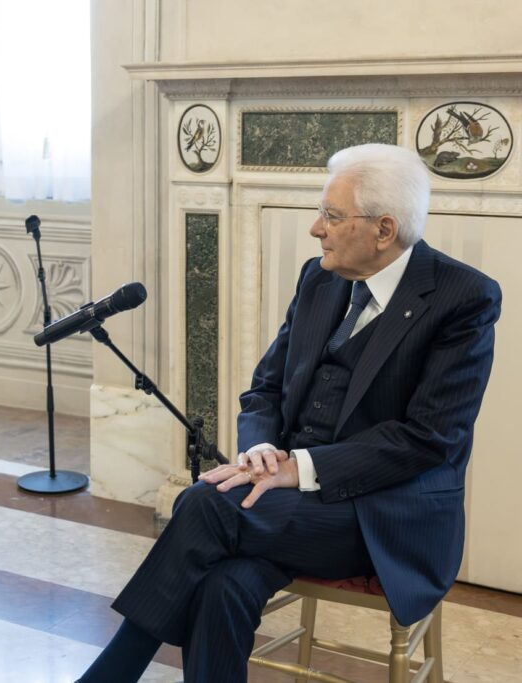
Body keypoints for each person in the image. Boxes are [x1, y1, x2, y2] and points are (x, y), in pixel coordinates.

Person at [77, 143, 502, 683]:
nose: (315, 229)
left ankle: (109, 675)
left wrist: (296, 469)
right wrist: (258, 449)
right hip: (284, 505)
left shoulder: (463, 298)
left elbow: (428, 439)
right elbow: (265, 389)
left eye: (331, 215)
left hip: (382, 516)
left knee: (205, 505)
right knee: (223, 583)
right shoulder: (319, 277)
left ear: (384, 229)